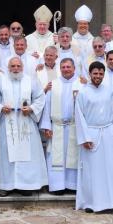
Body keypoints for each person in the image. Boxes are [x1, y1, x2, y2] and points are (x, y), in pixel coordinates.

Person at [0, 56, 48, 197]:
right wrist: (1, 108)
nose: (15, 69)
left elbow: (40, 97)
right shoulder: (0, 81)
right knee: (8, 154)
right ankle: (7, 185)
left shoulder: (31, 81)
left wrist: (32, 108)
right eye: (13, 66)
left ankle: (25, 185)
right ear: (8, 68)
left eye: (18, 66)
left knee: (26, 156)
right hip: (7, 122)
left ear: (22, 67)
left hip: (26, 121)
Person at [75, 62, 113, 213]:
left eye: (100, 73)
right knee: (93, 170)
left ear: (103, 74)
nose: (98, 76)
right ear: (90, 74)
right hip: (91, 134)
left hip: (108, 132)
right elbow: (79, 116)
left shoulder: (110, 90)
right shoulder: (83, 92)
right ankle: (92, 202)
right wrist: (85, 138)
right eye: (95, 73)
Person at [40, 58, 80, 195]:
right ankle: (57, 186)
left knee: (73, 156)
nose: (66, 69)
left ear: (74, 68)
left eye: (68, 67)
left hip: (74, 127)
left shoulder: (81, 84)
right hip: (57, 127)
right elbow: (47, 106)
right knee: (56, 157)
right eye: (63, 67)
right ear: (60, 69)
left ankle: (72, 185)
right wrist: (47, 126)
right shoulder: (53, 85)